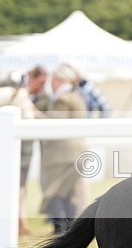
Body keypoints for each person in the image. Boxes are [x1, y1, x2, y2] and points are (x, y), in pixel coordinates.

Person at [38, 65, 87, 234]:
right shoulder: (76, 96)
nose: (51, 84)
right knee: (71, 194)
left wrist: (35, 114)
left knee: (55, 192)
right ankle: (72, 231)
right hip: (77, 152)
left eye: (53, 80)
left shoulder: (63, 99)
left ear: (60, 80)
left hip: (60, 154)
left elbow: (55, 123)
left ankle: (59, 230)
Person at [18, 65, 50, 235]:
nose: (44, 86)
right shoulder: (16, 91)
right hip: (12, 146)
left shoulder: (44, 97)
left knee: (21, 185)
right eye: (41, 82)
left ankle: (21, 221)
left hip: (27, 148)